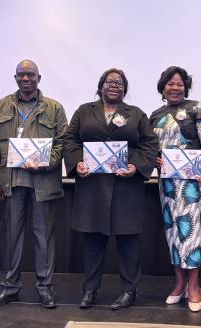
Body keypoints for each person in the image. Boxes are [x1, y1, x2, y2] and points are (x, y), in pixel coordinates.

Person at [62, 68, 158, 310]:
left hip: (126, 186)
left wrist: (136, 166)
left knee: (128, 241)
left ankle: (128, 290)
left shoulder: (135, 114)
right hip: (92, 187)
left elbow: (150, 143)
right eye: (109, 82)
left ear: (125, 89)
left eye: (119, 83)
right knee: (93, 240)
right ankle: (90, 289)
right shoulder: (84, 111)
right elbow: (70, 140)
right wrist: (77, 162)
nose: (114, 85)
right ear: (101, 86)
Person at [0, 59, 68, 309]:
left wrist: (47, 163)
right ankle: (9, 288)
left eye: (30, 75)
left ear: (38, 78)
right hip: (12, 181)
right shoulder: (2, 105)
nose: (25, 79)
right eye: (21, 75)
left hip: (43, 182)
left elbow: (63, 142)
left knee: (43, 238)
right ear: (15, 78)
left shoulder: (54, 107)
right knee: (11, 237)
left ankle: (45, 288)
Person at [149, 66, 201, 312]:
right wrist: (154, 159)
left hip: (193, 182)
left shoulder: (196, 109)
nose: (175, 88)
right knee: (172, 233)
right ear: (163, 87)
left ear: (185, 87)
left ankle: (195, 286)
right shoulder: (155, 114)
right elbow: (151, 148)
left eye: (179, 84)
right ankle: (179, 284)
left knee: (191, 232)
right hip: (166, 182)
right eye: (170, 83)